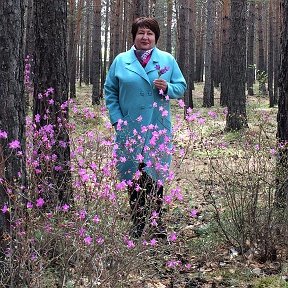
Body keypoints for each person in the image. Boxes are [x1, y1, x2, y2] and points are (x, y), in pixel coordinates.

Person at [105, 17, 186, 238]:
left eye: (150, 33)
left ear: (156, 37)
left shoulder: (167, 60)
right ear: (134, 36)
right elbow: (110, 90)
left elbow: (182, 86)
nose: (145, 37)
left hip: (156, 127)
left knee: (156, 175)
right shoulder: (121, 61)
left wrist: (168, 87)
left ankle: (156, 223)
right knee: (133, 174)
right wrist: (117, 120)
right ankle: (138, 223)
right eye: (141, 33)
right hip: (128, 128)